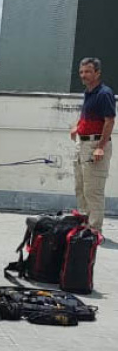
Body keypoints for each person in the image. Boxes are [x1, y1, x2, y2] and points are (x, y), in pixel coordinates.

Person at [70, 57, 115, 232]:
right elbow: (86, 116)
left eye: (88, 71)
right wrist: (76, 127)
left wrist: (100, 147)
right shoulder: (88, 92)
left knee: (93, 190)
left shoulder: (104, 93)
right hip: (83, 145)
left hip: (95, 145)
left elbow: (109, 121)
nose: (84, 75)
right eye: (81, 72)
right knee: (80, 187)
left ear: (97, 73)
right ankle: (84, 223)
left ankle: (94, 230)